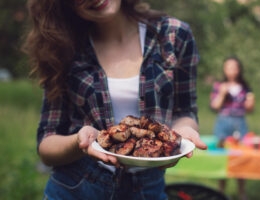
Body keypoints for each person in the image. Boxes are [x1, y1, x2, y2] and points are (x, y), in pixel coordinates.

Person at [22, 0, 207, 199]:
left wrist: (180, 134)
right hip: (77, 188)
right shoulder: (64, 46)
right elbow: (47, 144)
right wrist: (79, 142)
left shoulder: (174, 34)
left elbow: (185, 111)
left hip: (148, 189)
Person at [210, 56, 255, 200]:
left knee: (241, 156)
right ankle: (220, 192)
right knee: (222, 157)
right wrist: (223, 93)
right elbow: (214, 106)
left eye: (234, 67)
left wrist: (250, 104)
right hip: (223, 122)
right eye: (229, 67)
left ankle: (242, 192)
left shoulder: (245, 87)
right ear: (224, 69)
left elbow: (250, 109)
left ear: (239, 69)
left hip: (240, 123)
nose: (232, 70)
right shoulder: (219, 86)